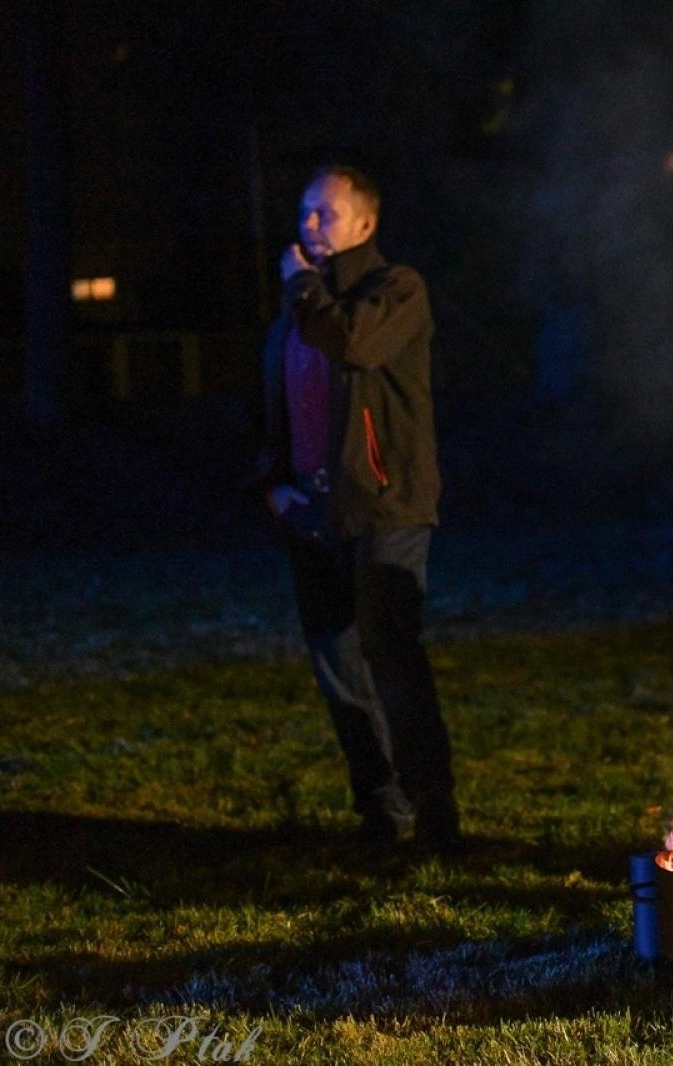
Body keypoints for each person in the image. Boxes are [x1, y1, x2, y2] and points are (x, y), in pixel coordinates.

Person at [255, 164, 459, 855]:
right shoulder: (298, 308)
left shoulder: (396, 290)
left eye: (326, 214)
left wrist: (303, 288)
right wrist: (272, 483)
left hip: (386, 505)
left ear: (364, 225)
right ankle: (380, 808)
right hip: (312, 514)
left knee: (390, 656)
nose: (310, 225)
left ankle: (435, 812)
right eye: (305, 212)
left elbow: (356, 343)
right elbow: (276, 397)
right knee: (338, 668)